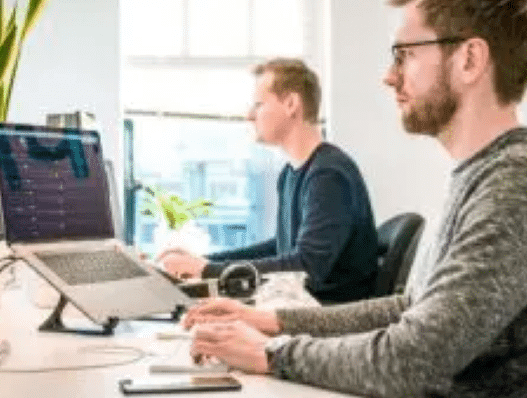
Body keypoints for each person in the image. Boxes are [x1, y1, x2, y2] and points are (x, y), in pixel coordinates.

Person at [179, 0, 527, 398]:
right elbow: (410, 309)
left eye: (405, 55)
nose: (389, 76)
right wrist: (270, 322)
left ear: (470, 60)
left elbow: (410, 359)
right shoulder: (483, 174)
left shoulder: (520, 183)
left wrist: (273, 352)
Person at [157, 58, 380, 304]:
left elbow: (305, 268)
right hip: (300, 306)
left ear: (291, 104)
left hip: (327, 316)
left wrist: (207, 271)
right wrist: (206, 262)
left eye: (259, 105)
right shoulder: (291, 173)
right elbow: (281, 248)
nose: (249, 116)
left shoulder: (328, 175)